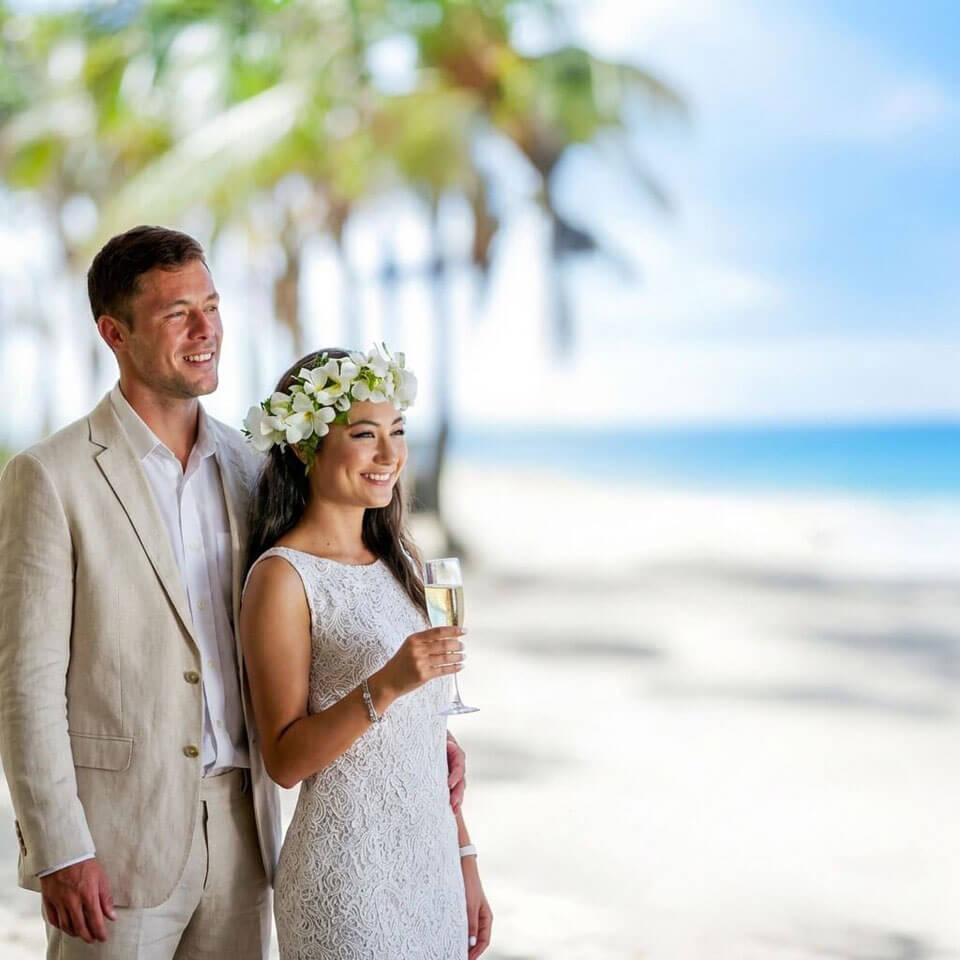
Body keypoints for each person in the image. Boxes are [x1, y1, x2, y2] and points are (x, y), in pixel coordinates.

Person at [0, 225, 467, 959]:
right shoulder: (51, 476)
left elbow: (324, 621)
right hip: (119, 838)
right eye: (177, 313)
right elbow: (26, 685)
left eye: (212, 306)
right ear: (113, 332)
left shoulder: (253, 470)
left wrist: (420, 734)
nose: (205, 329)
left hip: (248, 831)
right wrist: (59, 847)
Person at [240, 346, 492, 959]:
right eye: (364, 435)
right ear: (305, 447)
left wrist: (464, 854)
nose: (390, 455)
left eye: (398, 432)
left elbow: (424, 742)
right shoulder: (281, 578)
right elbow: (285, 760)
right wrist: (388, 684)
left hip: (427, 864)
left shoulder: (399, 562)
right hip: (348, 874)